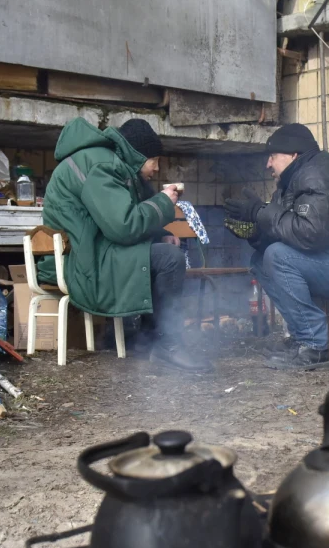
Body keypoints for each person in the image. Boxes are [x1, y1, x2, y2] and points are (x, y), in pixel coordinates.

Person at [36, 118, 209, 373]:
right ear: (138, 156)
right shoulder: (101, 166)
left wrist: (160, 233)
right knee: (169, 259)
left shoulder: (106, 162)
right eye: (154, 160)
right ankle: (166, 345)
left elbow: (114, 216)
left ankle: (148, 342)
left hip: (87, 252)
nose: (157, 168)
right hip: (81, 261)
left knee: (162, 254)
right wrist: (163, 202)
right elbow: (123, 226)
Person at [226, 124, 329, 370]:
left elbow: (312, 235)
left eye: (272, 156)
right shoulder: (292, 182)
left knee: (277, 256)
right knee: (261, 260)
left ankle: (316, 345)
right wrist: (254, 229)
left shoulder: (318, 174)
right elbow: (287, 233)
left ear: (293, 154)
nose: (268, 164)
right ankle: (302, 336)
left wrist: (262, 212)